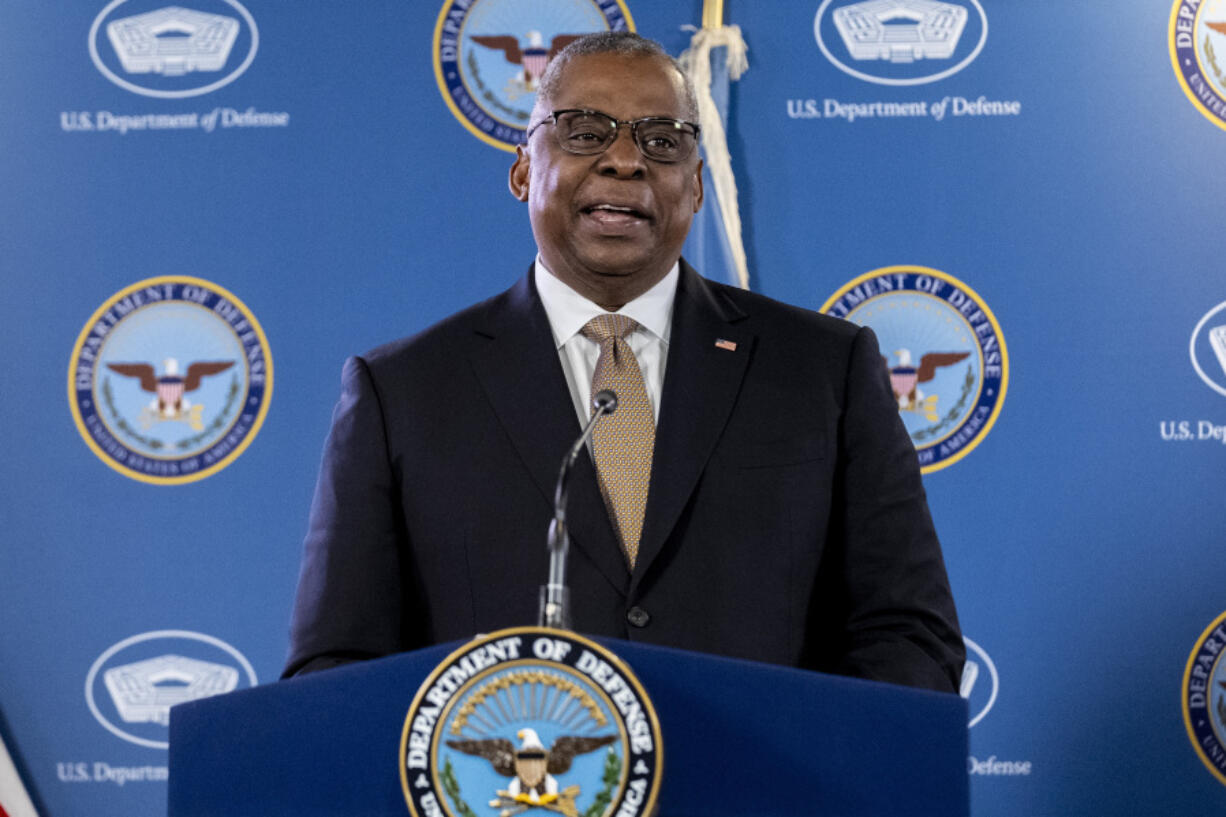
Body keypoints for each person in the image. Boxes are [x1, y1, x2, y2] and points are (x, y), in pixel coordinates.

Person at [284, 32, 963, 693]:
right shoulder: (403, 393)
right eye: (585, 131)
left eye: (660, 140)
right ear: (523, 170)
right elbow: (337, 667)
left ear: (695, 185)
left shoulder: (825, 371)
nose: (625, 160)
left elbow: (909, 634)